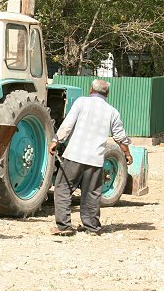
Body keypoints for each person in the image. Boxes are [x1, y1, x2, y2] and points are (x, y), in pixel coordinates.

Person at [48, 79, 133, 236]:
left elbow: (67, 125)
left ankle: (64, 226)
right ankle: (92, 227)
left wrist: (55, 140)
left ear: (90, 90)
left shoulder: (81, 102)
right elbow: (120, 137)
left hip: (74, 155)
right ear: (107, 93)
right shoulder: (112, 111)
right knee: (92, 193)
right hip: (95, 159)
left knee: (63, 189)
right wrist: (127, 154)